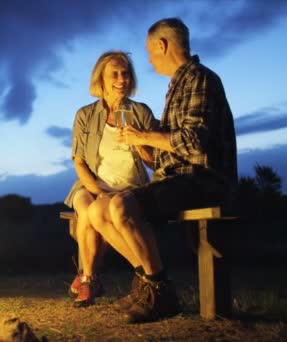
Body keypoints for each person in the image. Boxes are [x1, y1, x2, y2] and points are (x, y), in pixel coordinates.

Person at [87, 17, 237, 323]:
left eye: (149, 50)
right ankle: (146, 283)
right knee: (98, 211)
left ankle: (160, 292)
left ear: (162, 45)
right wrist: (145, 148)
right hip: (177, 178)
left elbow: (193, 142)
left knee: (121, 204)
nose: (149, 58)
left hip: (202, 179)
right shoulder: (178, 85)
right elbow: (167, 151)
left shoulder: (200, 79)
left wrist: (143, 136)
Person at [64, 50, 158, 307]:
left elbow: (154, 162)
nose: (121, 79)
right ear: (101, 80)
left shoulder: (140, 112)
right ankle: (89, 280)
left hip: (129, 186)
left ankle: (86, 277)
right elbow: (80, 162)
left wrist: (141, 142)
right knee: (86, 206)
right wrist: (100, 191)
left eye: (125, 73)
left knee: (95, 213)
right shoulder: (85, 115)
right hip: (92, 183)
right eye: (114, 74)